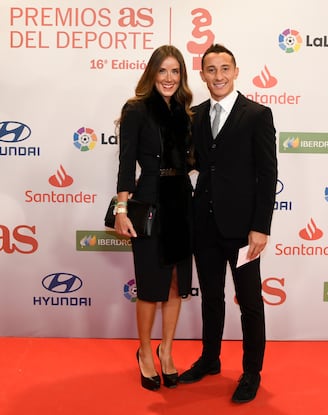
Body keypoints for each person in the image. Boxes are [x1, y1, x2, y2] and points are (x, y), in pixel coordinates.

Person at [178, 44, 278, 404]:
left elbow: (268, 175)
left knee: (250, 301)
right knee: (212, 299)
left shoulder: (257, 115)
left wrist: (261, 226)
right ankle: (210, 359)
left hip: (243, 230)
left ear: (236, 72)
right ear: (202, 75)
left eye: (224, 69)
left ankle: (251, 371)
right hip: (203, 224)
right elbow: (192, 162)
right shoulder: (195, 114)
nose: (218, 76)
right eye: (211, 70)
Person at [114, 45, 194, 391]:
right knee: (149, 287)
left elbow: (193, 161)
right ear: (152, 73)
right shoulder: (136, 110)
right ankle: (145, 352)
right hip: (148, 201)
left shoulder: (185, 112)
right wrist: (121, 209)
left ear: (182, 77)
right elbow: (125, 162)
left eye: (175, 72)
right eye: (163, 71)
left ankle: (167, 350)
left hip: (181, 203)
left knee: (176, 284)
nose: (169, 78)